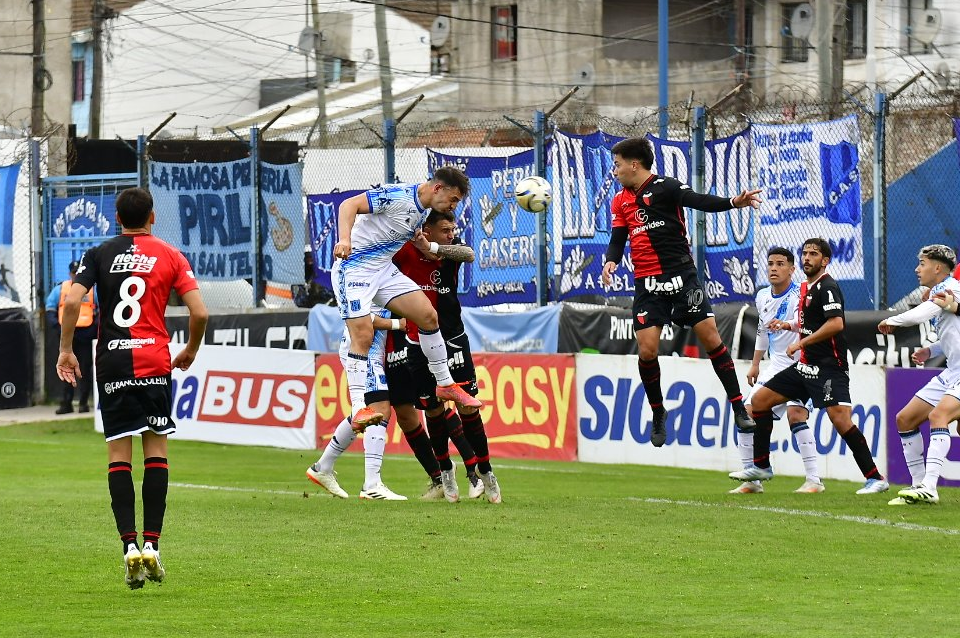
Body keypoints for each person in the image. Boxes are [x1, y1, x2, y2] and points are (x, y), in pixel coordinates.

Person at [56, 187, 208, 589]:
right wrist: (191, 350)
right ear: (152, 217)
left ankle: (129, 547)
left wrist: (66, 350)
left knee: (118, 455)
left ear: (117, 218)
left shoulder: (98, 253)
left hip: (113, 363)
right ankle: (152, 545)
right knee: (156, 451)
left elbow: (71, 303)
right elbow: (199, 312)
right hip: (155, 361)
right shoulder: (171, 255)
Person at [601, 136, 760, 447]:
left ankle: (738, 406)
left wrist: (732, 202)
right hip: (648, 283)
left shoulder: (667, 186)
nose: (615, 171)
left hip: (681, 276)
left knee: (711, 338)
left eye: (617, 165)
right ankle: (658, 412)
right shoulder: (620, 200)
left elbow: (699, 201)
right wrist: (611, 260)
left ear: (634, 164)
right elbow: (618, 237)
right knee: (647, 350)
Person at [333, 167, 480, 431]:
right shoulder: (397, 196)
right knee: (363, 335)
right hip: (354, 268)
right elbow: (348, 204)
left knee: (428, 316)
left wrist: (425, 244)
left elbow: (441, 251)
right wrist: (345, 239)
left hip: (383, 270)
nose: (454, 206)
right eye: (453, 199)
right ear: (438, 188)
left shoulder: (422, 212)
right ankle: (358, 408)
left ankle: (445, 384)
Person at [746, 238, 888, 494]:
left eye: (813, 254)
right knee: (759, 401)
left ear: (825, 260)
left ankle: (875, 478)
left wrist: (801, 343)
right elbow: (808, 323)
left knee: (841, 420)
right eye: (804, 253)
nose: (807, 258)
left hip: (829, 367)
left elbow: (835, 324)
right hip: (805, 366)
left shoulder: (828, 286)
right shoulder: (806, 288)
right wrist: (788, 325)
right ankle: (762, 467)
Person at [387, 209, 501, 503]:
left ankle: (485, 470)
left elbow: (469, 254)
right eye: (445, 230)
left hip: (453, 340)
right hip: (417, 342)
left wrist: (433, 246)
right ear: (426, 229)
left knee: (468, 408)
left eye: (453, 230)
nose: (451, 235)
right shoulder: (405, 251)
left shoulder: (450, 250)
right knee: (433, 409)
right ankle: (446, 470)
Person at [306, 309, 446, 501]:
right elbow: (360, 318)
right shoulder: (360, 289)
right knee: (379, 410)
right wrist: (398, 324)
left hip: (370, 350)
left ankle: (323, 467)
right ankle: (371, 485)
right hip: (364, 351)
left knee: (366, 413)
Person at [728, 247, 823, 494]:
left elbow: (807, 325)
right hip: (776, 364)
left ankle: (814, 480)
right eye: (770, 263)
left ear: (792, 269)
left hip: (802, 364)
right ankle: (753, 479)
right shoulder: (762, 296)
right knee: (746, 413)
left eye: (780, 264)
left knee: (796, 414)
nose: (774, 268)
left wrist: (788, 328)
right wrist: (755, 363)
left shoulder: (801, 294)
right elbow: (762, 330)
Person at [877, 244, 960, 505]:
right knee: (905, 419)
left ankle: (929, 487)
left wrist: (893, 320)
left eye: (922, 263)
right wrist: (931, 350)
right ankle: (918, 487)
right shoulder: (941, 290)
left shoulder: (951, 288)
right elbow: (954, 332)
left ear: (938, 267)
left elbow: (923, 313)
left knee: (939, 415)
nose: (917, 269)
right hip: (953, 371)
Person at [46, 260, 97, 414]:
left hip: (86, 334)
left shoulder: (92, 290)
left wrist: (93, 329)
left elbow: (100, 311)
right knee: (66, 369)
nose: (76, 275)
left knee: (85, 369)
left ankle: (83, 403)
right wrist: (59, 328)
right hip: (67, 335)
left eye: (78, 272)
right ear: (70, 273)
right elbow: (50, 309)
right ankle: (66, 403)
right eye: (74, 272)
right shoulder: (60, 289)